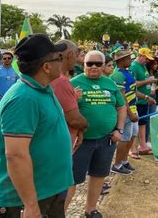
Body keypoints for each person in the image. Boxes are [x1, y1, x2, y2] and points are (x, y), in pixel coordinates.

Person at [0, 34, 72, 217]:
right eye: (58, 58)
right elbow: (15, 155)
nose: (61, 62)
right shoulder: (23, 98)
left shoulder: (42, 88)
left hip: (48, 191)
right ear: (47, 67)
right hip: (24, 200)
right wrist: (30, 205)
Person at [67, 51, 126, 218]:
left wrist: (119, 129)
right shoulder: (73, 84)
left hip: (107, 139)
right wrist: (74, 100)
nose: (93, 66)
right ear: (83, 64)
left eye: (98, 64)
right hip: (81, 141)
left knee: (99, 174)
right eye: (89, 63)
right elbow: (63, 110)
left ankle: (90, 209)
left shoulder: (110, 84)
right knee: (72, 179)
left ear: (103, 66)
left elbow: (121, 107)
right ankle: (60, 213)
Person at [51, 40, 88, 148]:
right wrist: (84, 126)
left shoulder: (54, 78)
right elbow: (74, 119)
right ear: (70, 54)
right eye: (76, 55)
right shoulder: (61, 81)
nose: (76, 60)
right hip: (62, 143)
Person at [110, 50, 141, 173]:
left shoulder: (127, 72)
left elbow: (132, 91)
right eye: (128, 58)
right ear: (121, 61)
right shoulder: (117, 75)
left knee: (132, 135)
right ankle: (116, 165)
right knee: (124, 138)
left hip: (134, 108)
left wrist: (145, 97)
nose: (130, 60)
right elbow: (122, 97)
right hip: (127, 112)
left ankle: (124, 160)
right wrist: (130, 113)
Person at [129, 48, 156, 155]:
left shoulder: (143, 66)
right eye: (146, 58)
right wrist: (147, 81)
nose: (147, 61)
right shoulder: (134, 67)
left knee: (143, 123)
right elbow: (132, 84)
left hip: (145, 100)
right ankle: (133, 148)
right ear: (140, 55)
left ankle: (143, 145)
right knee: (135, 125)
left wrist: (150, 84)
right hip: (138, 101)